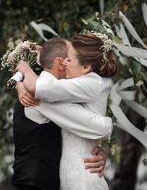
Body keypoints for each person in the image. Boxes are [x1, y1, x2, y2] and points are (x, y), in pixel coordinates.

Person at [16, 33, 117, 190]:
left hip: (77, 180)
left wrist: (24, 74)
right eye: (65, 59)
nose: (66, 63)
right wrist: (22, 81)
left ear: (85, 67)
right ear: (58, 63)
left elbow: (92, 125)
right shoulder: (38, 94)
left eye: (70, 59)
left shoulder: (55, 92)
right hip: (35, 183)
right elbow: (97, 126)